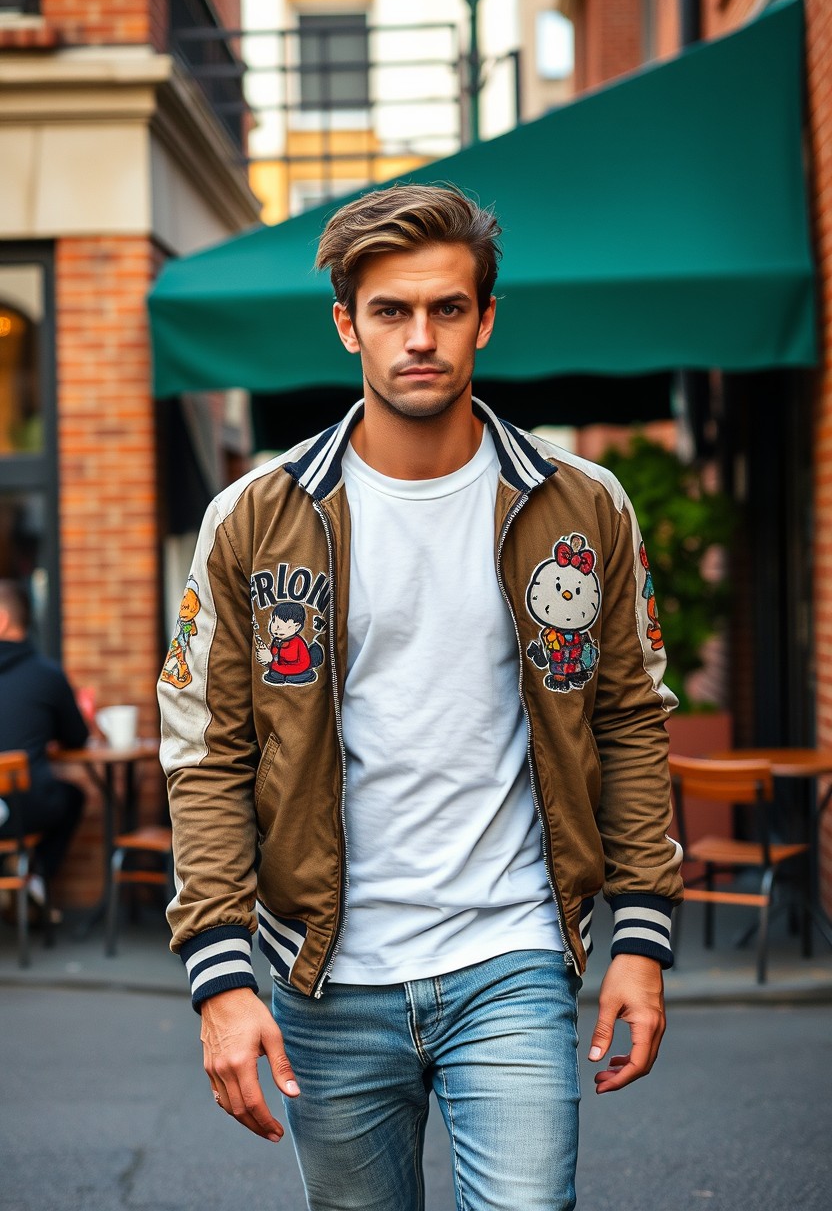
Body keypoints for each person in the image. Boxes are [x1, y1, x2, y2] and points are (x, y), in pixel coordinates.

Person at [158, 185, 684, 1211]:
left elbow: (628, 719)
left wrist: (641, 937)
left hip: (515, 953)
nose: (420, 338)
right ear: (347, 323)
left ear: (484, 318)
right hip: (328, 974)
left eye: (446, 308)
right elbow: (208, 755)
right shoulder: (254, 520)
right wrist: (220, 978)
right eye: (391, 311)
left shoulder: (580, 506)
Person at [0, 580, 88, 917]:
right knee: (72, 797)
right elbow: (77, 737)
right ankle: (33, 876)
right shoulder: (47, 675)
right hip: (23, 812)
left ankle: (17, 872)